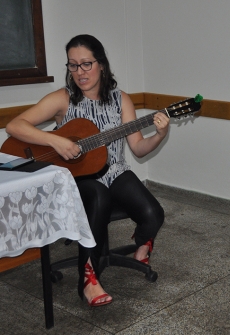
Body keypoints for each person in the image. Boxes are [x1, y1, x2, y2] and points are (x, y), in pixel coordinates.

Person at [6, 34, 168, 307]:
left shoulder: (121, 100)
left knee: (153, 214)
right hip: (73, 179)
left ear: (101, 64)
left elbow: (138, 148)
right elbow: (14, 126)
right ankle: (88, 279)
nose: (79, 72)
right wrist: (55, 139)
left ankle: (142, 243)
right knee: (98, 197)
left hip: (114, 170)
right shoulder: (64, 99)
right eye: (72, 65)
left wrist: (160, 135)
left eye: (86, 64)